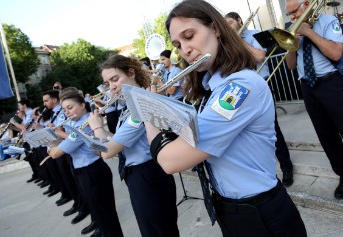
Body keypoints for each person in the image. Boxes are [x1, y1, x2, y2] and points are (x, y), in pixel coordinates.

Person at [143, 0, 307, 236]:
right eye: (178, 44)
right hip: (231, 208)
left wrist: (149, 112)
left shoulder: (239, 88)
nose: (185, 50)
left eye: (190, 36)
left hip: (260, 214)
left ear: (216, 29)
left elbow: (170, 161)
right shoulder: (215, 88)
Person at [87, 54, 179, 237]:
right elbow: (118, 141)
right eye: (107, 83)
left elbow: (107, 152)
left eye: (115, 79)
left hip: (148, 176)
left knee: (158, 232)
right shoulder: (128, 106)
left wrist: (97, 128)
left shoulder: (140, 104)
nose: (112, 87)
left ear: (131, 72)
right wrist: (102, 134)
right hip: (138, 176)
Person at [225, 11, 294, 186]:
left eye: (230, 23)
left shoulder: (253, 34)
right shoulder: (227, 43)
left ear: (239, 20)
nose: (228, 27)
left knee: (273, 128)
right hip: (241, 89)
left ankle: (286, 167)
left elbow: (259, 56)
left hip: (260, 84)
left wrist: (237, 40)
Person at [285, 0, 343, 199]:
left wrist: (309, 32)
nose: (292, 17)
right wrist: (292, 44)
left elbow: (336, 53)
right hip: (308, 87)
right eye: (289, 14)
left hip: (331, 83)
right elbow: (290, 66)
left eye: (294, 12)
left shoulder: (327, 20)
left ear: (307, 4)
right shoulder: (293, 31)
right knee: (326, 135)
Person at [48, 89, 123, 237]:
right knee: (100, 214)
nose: (67, 112)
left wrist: (51, 147)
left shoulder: (83, 125)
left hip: (92, 171)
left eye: (70, 108)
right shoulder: (78, 124)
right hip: (86, 171)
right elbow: (66, 143)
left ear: (83, 105)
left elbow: (57, 153)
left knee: (107, 218)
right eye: (64, 109)